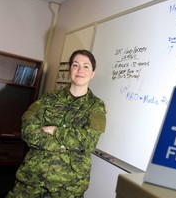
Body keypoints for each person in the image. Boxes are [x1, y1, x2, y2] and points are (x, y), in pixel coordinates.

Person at [7, 49, 107, 198]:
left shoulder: (96, 106)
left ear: (92, 73)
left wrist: (54, 131)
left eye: (86, 66)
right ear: (69, 70)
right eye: (75, 65)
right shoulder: (48, 99)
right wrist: (63, 145)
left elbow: (88, 141)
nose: (80, 70)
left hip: (68, 187)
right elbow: (28, 130)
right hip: (31, 180)